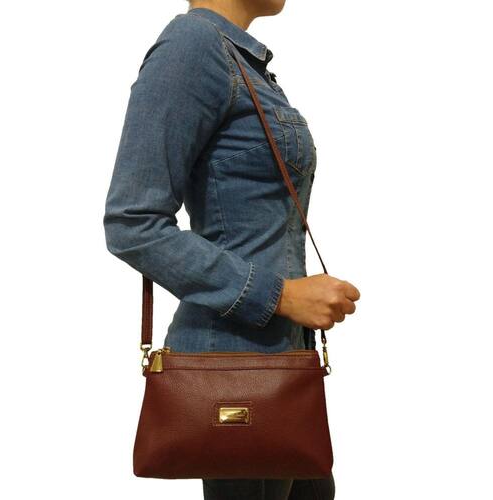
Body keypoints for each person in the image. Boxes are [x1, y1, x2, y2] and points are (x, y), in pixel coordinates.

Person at [103, 1, 360, 498]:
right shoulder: (191, 47)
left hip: (283, 363)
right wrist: (281, 296)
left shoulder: (241, 61)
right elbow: (132, 222)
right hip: (235, 372)